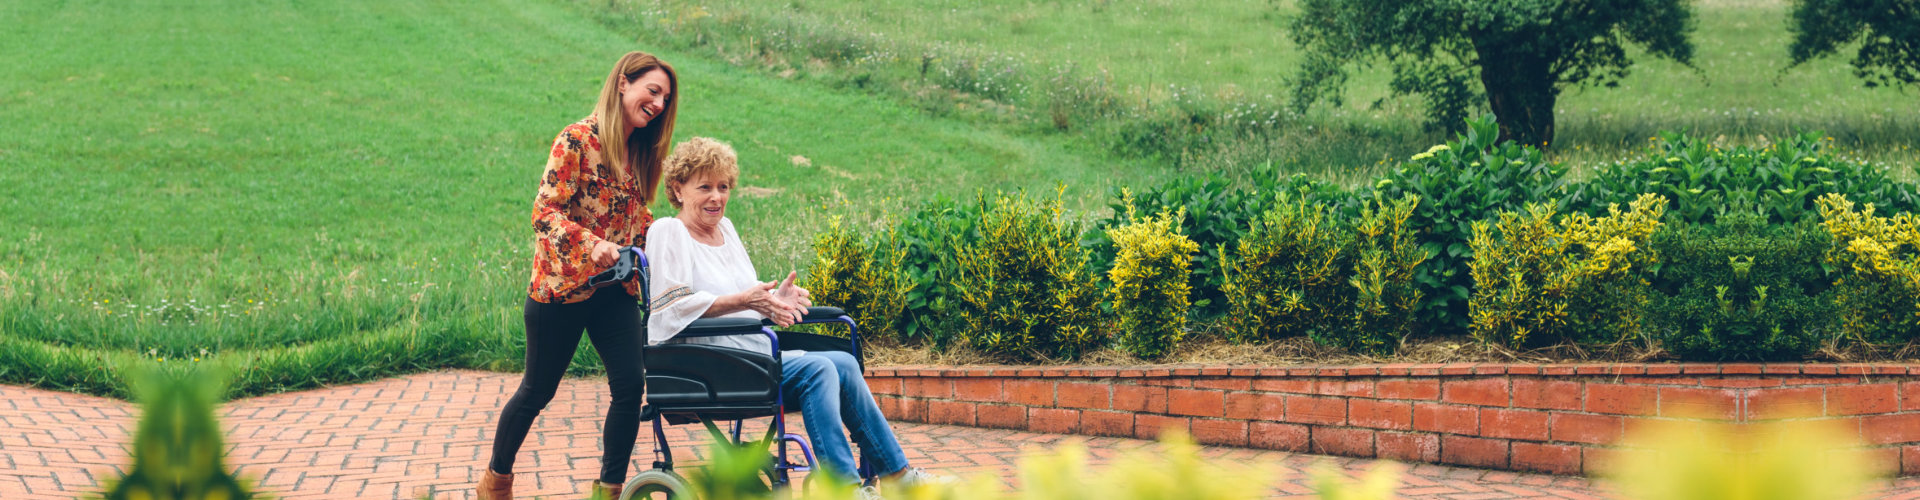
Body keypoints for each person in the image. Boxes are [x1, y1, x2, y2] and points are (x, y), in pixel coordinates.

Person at [645, 137, 949, 499]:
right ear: (678, 189)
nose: (717, 197)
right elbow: (669, 310)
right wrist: (747, 300)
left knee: (843, 363)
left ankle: (899, 478)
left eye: (723, 187)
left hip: (751, 355)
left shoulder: (726, 230)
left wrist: (774, 301)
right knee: (819, 369)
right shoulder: (668, 231)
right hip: (706, 365)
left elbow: (743, 296)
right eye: (705, 187)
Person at [479, 51, 679, 500]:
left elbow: (638, 224)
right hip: (561, 290)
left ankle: (609, 491)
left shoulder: (640, 154)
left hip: (615, 292)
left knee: (630, 386)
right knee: (537, 391)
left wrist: (677, 241)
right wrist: (594, 245)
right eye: (653, 91)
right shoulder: (577, 140)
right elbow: (543, 212)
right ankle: (496, 482)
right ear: (623, 83)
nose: (659, 104)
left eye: (665, 98)